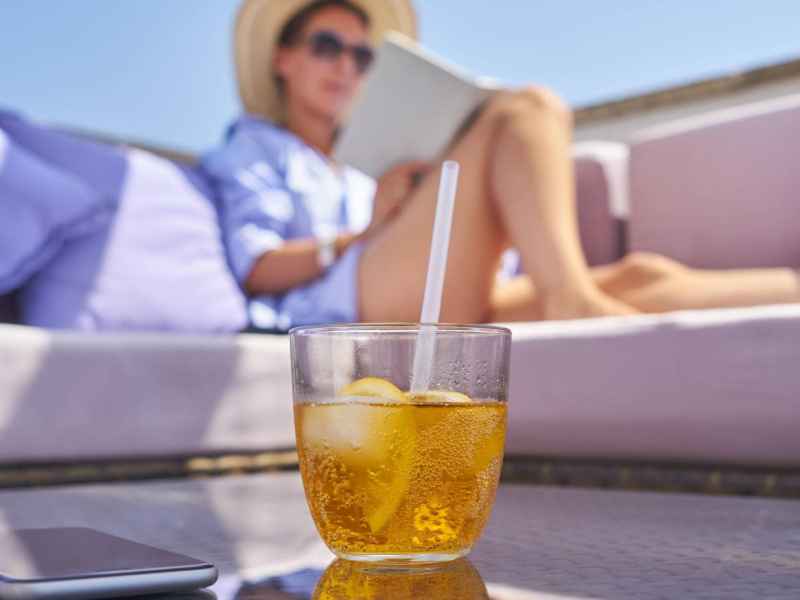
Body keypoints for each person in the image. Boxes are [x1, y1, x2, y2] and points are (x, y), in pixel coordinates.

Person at [202, 0, 799, 331]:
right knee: (526, 108)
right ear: (282, 58)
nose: (347, 66)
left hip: (435, 287)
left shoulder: (365, 155)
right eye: (326, 46)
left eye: (362, 55)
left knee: (646, 277)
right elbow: (255, 267)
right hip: (345, 310)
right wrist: (370, 230)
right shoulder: (254, 148)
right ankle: (574, 306)